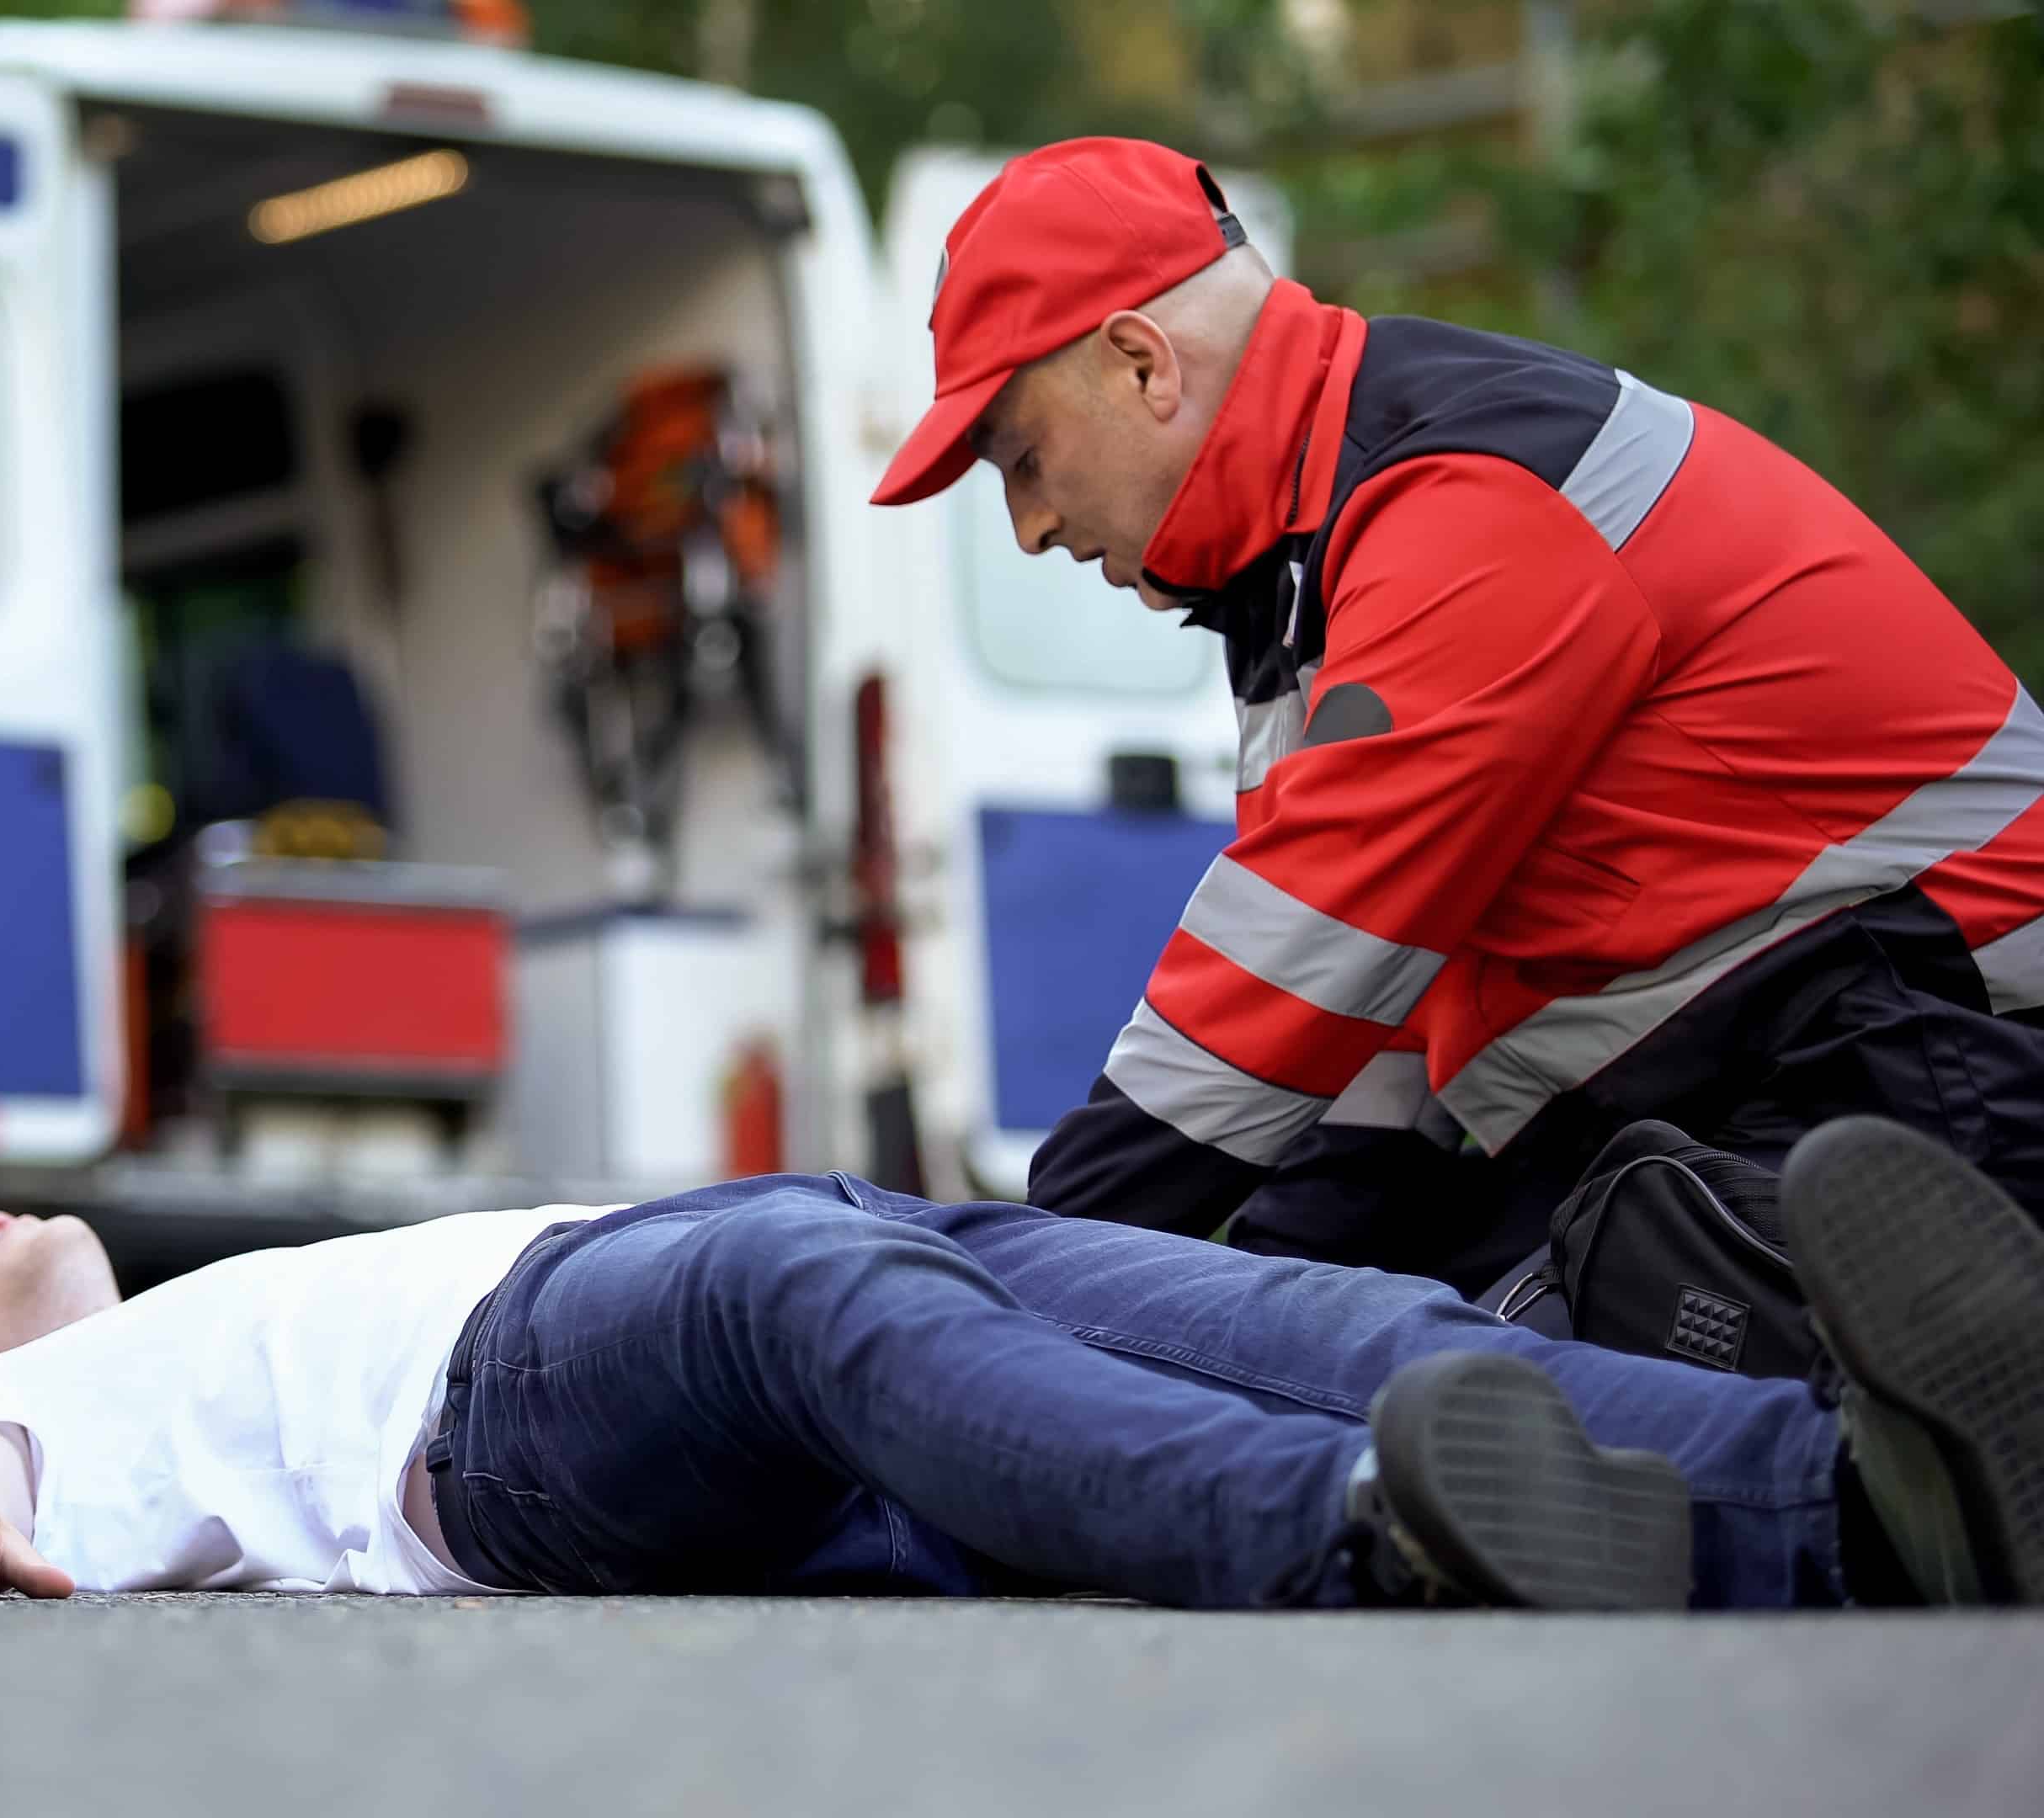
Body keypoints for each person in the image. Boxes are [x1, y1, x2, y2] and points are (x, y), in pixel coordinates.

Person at [868, 138, 2044, 1292]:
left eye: (1021, 460)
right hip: (1790, 1063)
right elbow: (1369, 1041)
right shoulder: (1305, 572)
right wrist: (1252, 1309)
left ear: (1141, 364)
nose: (1028, 527)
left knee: (1618, 1403)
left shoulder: (1464, 498)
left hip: (1939, 1049)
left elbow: (1289, 973)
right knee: (1407, 1381)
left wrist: (1004, 1293)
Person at [0, 1119, 2044, 1613]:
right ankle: (1372, 1546)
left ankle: (1854, 1493)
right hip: (520, 1408)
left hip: (693, 1259)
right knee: (806, 1292)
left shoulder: (193, 1294)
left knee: (1324, 1321)